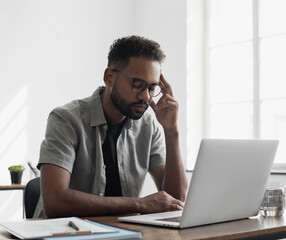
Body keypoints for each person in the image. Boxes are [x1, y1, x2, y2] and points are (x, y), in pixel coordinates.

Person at [33, 36, 188, 218]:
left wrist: (171, 131)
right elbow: (55, 201)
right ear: (109, 77)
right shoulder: (66, 120)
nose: (146, 96)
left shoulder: (148, 125)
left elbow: (176, 201)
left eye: (152, 88)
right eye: (137, 85)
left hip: (123, 232)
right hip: (63, 233)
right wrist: (140, 204)